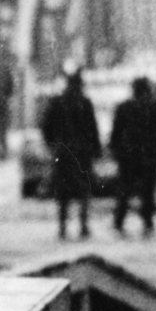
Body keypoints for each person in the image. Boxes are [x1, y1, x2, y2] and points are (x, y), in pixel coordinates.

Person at [110, 76, 156, 237]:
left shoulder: (124, 107)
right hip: (149, 155)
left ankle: (119, 220)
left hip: (128, 156)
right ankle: (147, 221)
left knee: (124, 189)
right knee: (148, 190)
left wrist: (115, 150)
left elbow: (116, 132)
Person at [42, 69, 101, 241]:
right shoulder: (85, 103)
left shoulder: (58, 102)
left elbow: (47, 127)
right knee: (83, 189)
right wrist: (95, 149)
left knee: (63, 191)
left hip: (63, 152)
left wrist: (53, 144)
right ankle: (83, 225)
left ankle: (62, 226)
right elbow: (92, 129)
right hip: (82, 152)